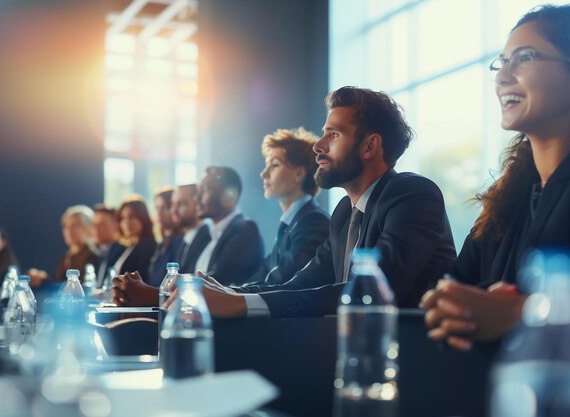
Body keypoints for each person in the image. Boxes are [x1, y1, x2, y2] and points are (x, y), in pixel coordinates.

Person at [120, 87, 457, 313]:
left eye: (334, 135)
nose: (318, 146)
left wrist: (236, 304)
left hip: (412, 364)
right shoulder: (343, 213)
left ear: (370, 146)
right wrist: (219, 293)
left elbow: (368, 292)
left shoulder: (413, 194)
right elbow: (302, 284)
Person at [422, 4, 570, 351]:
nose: (502, 77)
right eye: (501, 62)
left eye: (525, 57)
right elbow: (452, 285)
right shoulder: (506, 200)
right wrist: (450, 305)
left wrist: (524, 313)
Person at [112, 167, 265, 305]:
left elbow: (217, 289)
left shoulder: (244, 229)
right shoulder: (217, 234)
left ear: (229, 196)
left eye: (204, 191)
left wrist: (152, 294)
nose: (197, 199)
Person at [237, 127, 329, 288]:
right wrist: (224, 291)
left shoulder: (314, 221)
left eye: (274, 165)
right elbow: (265, 270)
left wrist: (228, 295)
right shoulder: (292, 222)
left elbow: (284, 278)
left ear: (299, 174)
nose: (263, 174)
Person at [105, 196, 157, 283]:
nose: (127, 222)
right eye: (123, 218)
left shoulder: (149, 247)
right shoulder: (126, 246)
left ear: (143, 218)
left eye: (132, 217)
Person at [147, 187, 185, 286]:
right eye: (157, 208)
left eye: (164, 208)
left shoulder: (181, 242)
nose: (159, 213)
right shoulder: (161, 243)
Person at [54, 205, 100, 282]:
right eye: (66, 226)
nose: (69, 231)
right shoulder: (66, 257)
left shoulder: (93, 258)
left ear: (89, 227)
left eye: (75, 225)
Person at [91, 204, 120, 287]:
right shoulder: (99, 254)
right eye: (94, 224)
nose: (96, 229)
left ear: (115, 226)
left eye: (102, 224)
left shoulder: (121, 253)